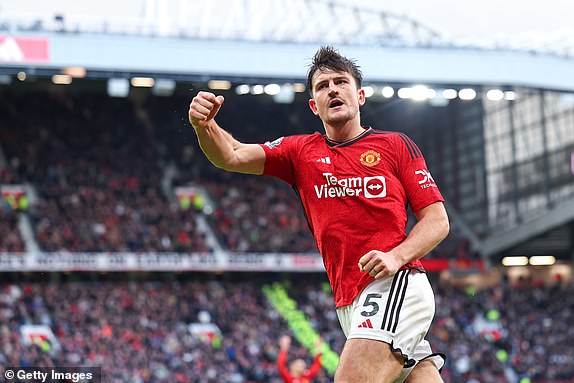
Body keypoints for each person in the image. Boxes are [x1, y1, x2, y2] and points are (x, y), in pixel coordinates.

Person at [188, 45, 449, 382]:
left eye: (341, 82)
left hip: (394, 285)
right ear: (314, 105)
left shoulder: (396, 145)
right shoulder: (300, 152)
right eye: (323, 87)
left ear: (360, 96)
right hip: (348, 300)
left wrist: (396, 256)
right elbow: (232, 155)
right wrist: (203, 125)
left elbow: (437, 220)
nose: (333, 90)